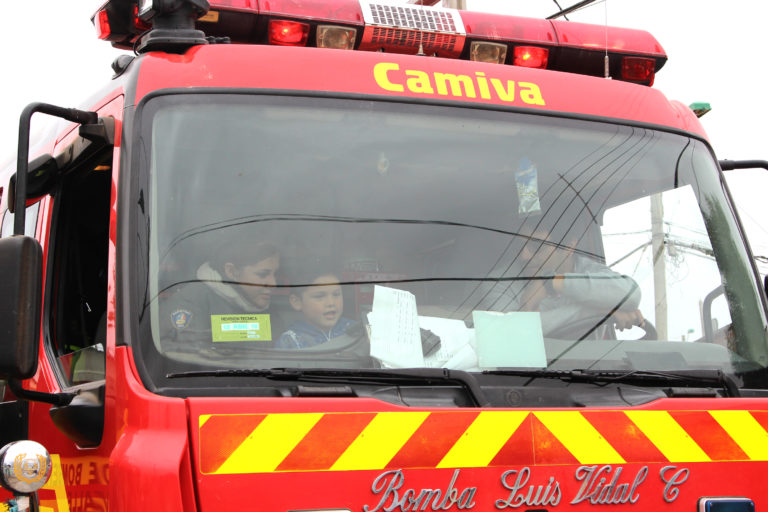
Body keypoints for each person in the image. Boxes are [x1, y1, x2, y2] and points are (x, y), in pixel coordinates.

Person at [514, 221, 645, 337]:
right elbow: (515, 331)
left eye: (536, 247)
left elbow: (632, 295)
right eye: (520, 246)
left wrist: (552, 283)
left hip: (590, 362)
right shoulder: (504, 280)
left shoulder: (588, 270)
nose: (524, 256)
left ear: (569, 246)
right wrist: (598, 311)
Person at [162, 239, 282, 346]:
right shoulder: (190, 303)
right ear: (231, 271)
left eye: (275, 274)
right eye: (262, 274)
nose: (273, 283)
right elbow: (186, 358)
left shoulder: (266, 306)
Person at [275, 264, 354, 349]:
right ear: (297, 302)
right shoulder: (290, 341)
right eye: (319, 296)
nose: (331, 303)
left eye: (336, 294)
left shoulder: (355, 331)